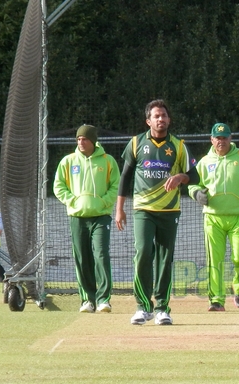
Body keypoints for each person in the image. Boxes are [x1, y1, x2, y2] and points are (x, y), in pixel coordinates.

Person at [115, 99, 199, 326]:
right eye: (156, 116)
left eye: (164, 115)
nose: (160, 119)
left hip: (169, 210)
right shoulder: (136, 143)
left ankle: (162, 308)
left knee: (165, 258)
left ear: (169, 120)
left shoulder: (179, 146)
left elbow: (195, 176)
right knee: (143, 252)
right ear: (148, 120)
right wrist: (119, 209)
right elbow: (125, 177)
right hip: (143, 209)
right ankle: (143, 307)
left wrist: (181, 177)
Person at [188, 123, 239, 311]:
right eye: (217, 138)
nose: (221, 141)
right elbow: (191, 184)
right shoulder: (204, 161)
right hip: (212, 218)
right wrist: (197, 194)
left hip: (238, 217)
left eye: (224, 138)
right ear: (212, 139)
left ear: (230, 138)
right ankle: (216, 300)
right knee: (214, 260)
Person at [54, 125, 121, 313]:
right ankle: (87, 300)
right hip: (77, 216)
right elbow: (58, 186)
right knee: (82, 258)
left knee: (101, 254)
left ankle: (103, 299)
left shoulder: (108, 161)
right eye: (78, 139)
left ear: (93, 141)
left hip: (101, 216)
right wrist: (72, 201)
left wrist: (104, 202)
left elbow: (115, 185)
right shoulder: (68, 161)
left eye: (84, 139)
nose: (81, 142)